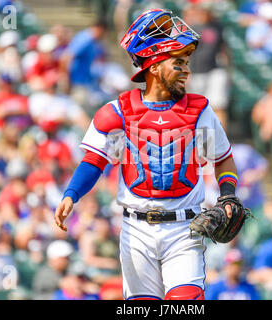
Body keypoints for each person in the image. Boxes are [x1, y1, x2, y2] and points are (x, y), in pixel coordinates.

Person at [54, 8, 242, 300]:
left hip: (185, 227)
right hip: (135, 230)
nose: (187, 70)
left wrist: (228, 194)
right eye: (178, 62)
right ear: (154, 67)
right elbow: (94, 161)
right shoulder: (117, 112)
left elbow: (223, 159)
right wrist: (71, 194)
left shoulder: (199, 110)